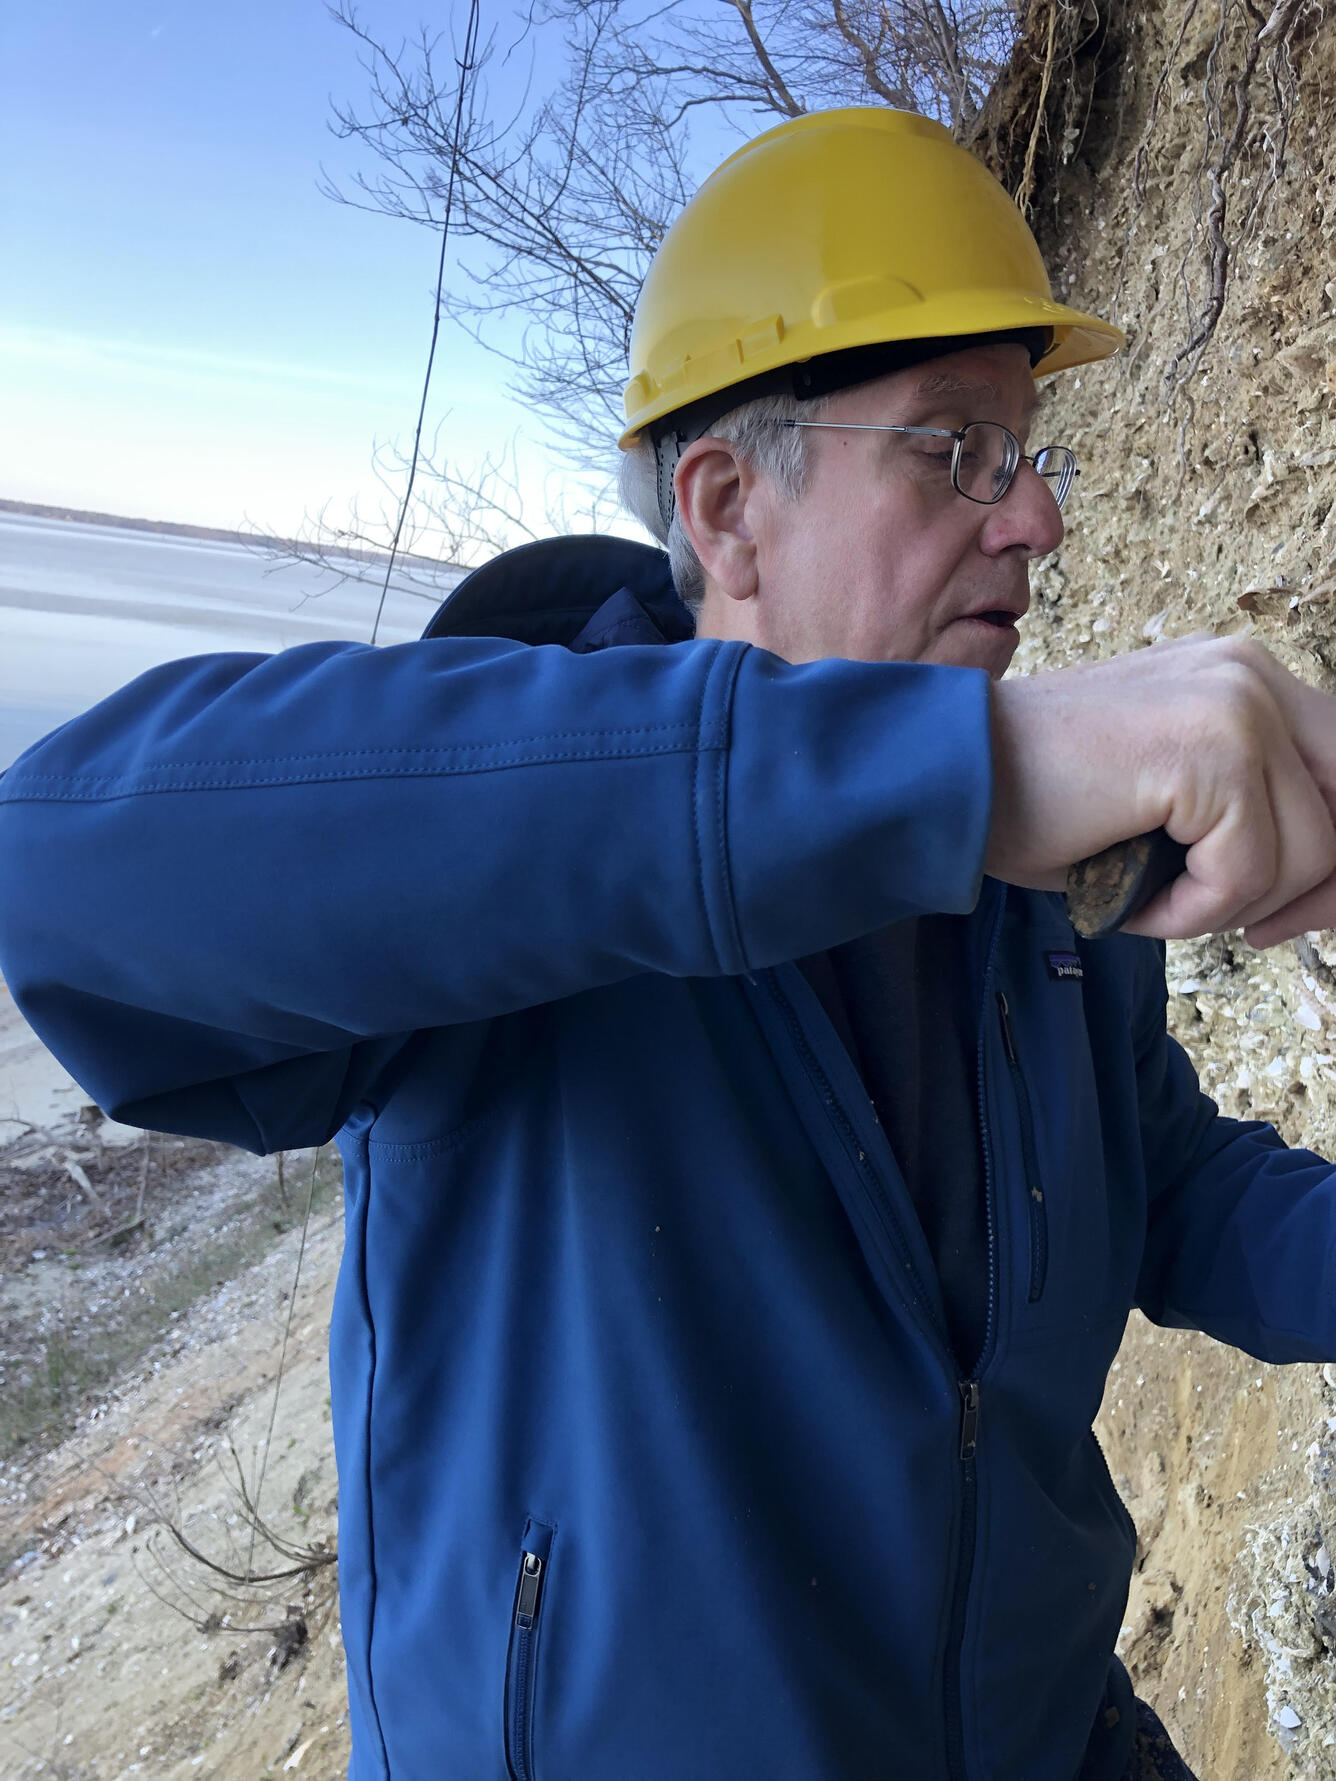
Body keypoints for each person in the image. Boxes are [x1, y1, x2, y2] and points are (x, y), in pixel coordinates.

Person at [3, 106, 1336, 1781]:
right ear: (726, 506)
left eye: (1030, 454)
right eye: (957, 450)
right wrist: (953, 773)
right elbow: (61, 871)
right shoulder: (513, 839)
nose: (1037, 520)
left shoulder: (1044, 880)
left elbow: (1172, 1184)